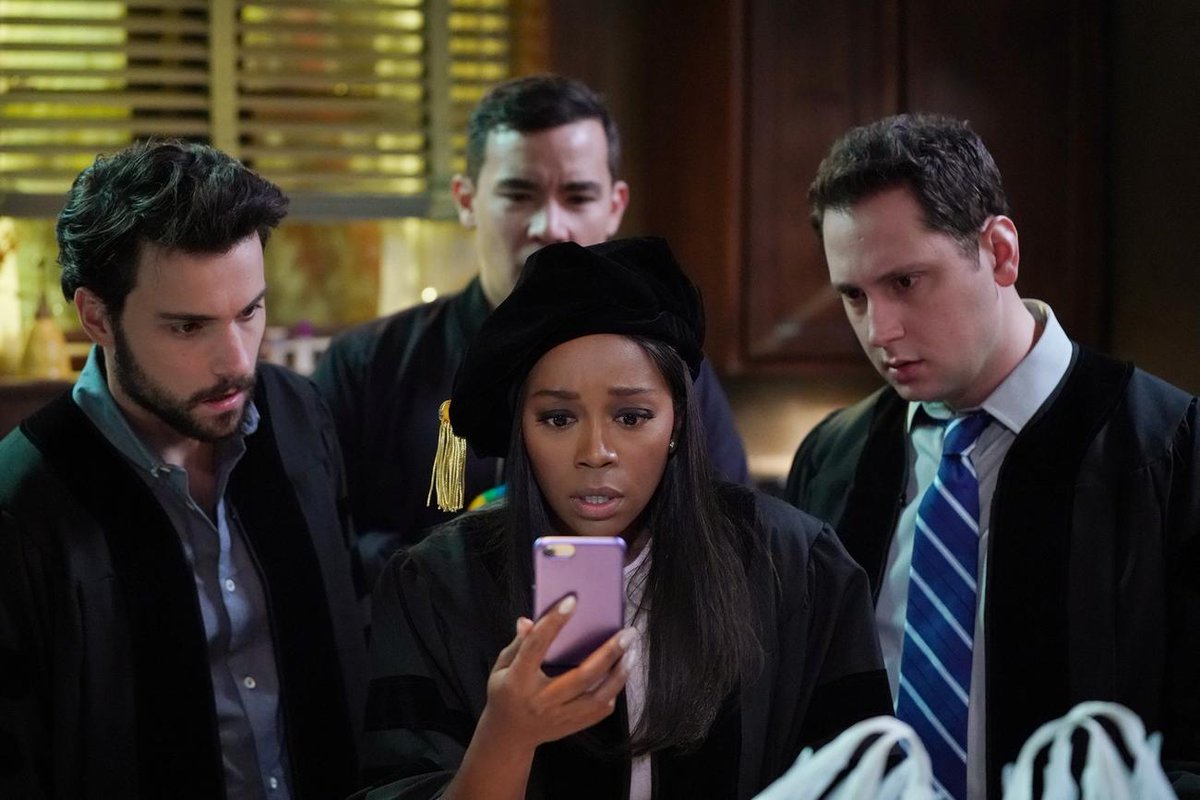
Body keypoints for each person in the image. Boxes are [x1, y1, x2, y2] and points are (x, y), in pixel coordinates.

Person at [357, 237, 890, 800]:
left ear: (677, 421)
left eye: (632, 416)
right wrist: (507, 734)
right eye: (558, 418)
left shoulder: (795, 566)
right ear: (521, 430)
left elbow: (865, 780)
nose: (596, 452)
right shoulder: (439, 585)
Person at [785, 114, 1200, 799]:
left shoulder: (1167, 449)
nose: (879, 330)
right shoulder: (834, 459)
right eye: (854, 296)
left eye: (906, 282)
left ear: (1000, 253)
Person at [0, 140, 368, 799]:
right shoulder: (24, 507)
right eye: (188, 327)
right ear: (97, 317)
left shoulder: (299, 419)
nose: (236, 362)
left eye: (249, 311)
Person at [312, 75, 750, 586]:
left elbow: (723, 539)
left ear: (615, 206)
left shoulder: (669, 369)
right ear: (466, 199)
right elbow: (322, 551)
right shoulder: (366, 366)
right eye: (519, 195)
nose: (550, 227)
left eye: (578, 196)